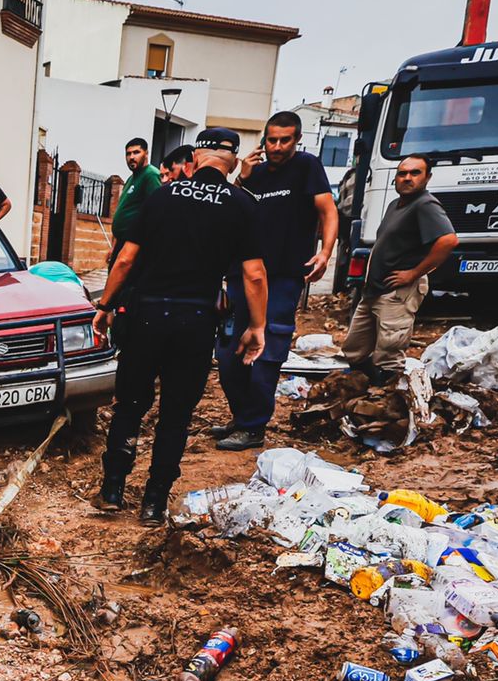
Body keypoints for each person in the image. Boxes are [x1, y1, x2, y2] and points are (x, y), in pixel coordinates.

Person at [87, 128, 266, 524]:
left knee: (131, 405)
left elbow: (125, 260)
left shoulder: (162, 196)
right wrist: (258, 326)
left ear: (196, 158)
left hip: (147, 315)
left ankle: (113, 488)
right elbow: (254, 275)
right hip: (196, 321)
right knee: (175, 415)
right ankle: (153, 502)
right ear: (233, 161)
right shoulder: (242, 204)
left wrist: (105, 304)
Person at [212, 110, 336, 450]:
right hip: (242, 274)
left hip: (282, 277)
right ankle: (240, 417)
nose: (277, 147)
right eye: (272, 140)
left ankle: (253, 427)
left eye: (285, 140)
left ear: (297, 140)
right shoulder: (255, 172)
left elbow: (328, 210)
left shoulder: (307, 167)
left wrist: (325, 252)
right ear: (263, 139)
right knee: (228, 352)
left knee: (267, 351)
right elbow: (230, 209)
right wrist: (242, 177)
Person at [343, 155, 457, 378]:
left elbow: (448, 240)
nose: (407, 178)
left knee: (389, 355)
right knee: (354, 349)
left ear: (427, 177)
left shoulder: (425, 204)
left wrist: (413, 273)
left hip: (398, 293)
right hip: (375, 289)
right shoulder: (396, 204)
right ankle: (362, 389)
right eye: (402, 173)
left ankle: (385, 402)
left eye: (415, 173)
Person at [112, 139, 162, 261]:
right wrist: (113, 248)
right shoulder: (131, 178)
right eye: (128, 154)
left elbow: (155, 210)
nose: (131, 157)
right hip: (121, 242)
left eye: (136, 152)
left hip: (133, 245)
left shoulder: (150, 175)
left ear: (146, 153)